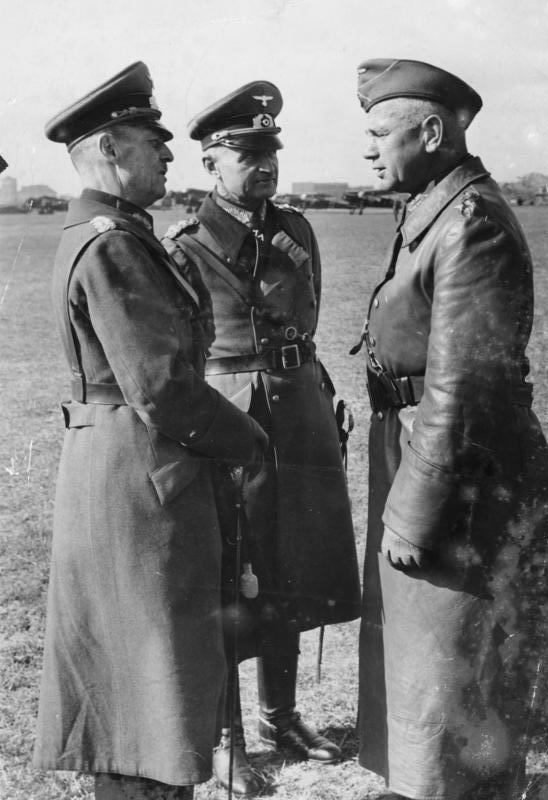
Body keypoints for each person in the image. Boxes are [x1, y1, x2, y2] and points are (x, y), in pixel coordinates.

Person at [33, 62, 269, 800]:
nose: (169, 155)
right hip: (140, 478)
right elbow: (164, 387)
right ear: (108, 149)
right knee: (149, 679)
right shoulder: (112, 243)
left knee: (144, 678)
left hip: (129, 467)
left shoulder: (119, 233)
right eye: (151, 141)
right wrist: (251, 441)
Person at [353, 59, 548, 800]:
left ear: (433, 131)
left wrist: (412, 511)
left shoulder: (469, 224)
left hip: (460, 485)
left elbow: (461, 389)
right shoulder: (436, 209)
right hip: (432, 459)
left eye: (382, 132)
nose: (369, 149)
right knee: (431, 679)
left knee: (458, 689)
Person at [162, 80, 361, 796]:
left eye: (269, 150)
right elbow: (181, 355)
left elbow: (304, 329)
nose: (264, 164)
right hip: (231, 415)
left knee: (293, 565)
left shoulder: (297, 230)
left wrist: (323, 397)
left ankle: (281, 715)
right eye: (247, 153)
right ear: (211, 162)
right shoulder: (185, 247)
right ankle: (223, 736)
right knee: (231, 570)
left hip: (299, 410)